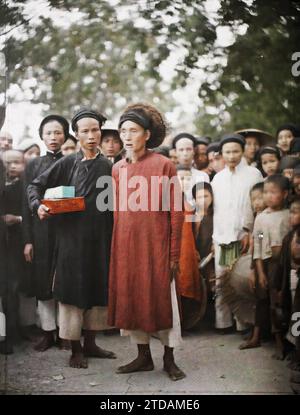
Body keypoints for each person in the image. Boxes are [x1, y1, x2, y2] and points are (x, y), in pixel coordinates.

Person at [27, 108, 115, 369]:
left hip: (100, 239)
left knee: (97, 289)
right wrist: (38, 206)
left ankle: (91, 343)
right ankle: (75, 348)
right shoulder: (67, 163)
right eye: (85, 131)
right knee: (72, 292)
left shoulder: (109, 165)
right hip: (71, 241)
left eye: (95, 130)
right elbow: (35, 186)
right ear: (75, 136)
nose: (91, 136)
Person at [108, 103, 185, 381]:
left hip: (157, 245)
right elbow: (118, 213)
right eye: (123, 131)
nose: (127, 136)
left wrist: (173, 252)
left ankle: (169, 359)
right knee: (133, 297)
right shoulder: (117, 168)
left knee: (163, 300)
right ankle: (142, 356)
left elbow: (176, 212)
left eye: (134, 131)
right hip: (127, 246)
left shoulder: (164, 165)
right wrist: (119, 248)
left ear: (147, 134)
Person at [23, 114, 69, 352]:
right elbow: (25, 203)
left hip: (65, 230)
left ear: (65, 135)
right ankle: (47, 332)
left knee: (62, 281)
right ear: (42, 136)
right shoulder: (32, 165)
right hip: (40, 230)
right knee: (42, 282)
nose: (53, 137)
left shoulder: (72, 162)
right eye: (49, 133)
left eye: (58, 132)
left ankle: (65, 333)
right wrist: (28, 240)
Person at [211, 133, 263, 333]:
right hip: (222, 236)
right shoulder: (218, 178)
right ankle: (222, 323)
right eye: (227, 152)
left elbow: (256, 206)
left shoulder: (253, 174)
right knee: (221, 280)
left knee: (240, 281)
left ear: (242, 151)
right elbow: (216, 210)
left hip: (244, 236)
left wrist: (250, 232)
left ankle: (243, 324)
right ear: (222, 154)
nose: (231, 156)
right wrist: (214, 239)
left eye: (235, 151)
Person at [251, 175, 290, 359]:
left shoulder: (289, 215)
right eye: (265, 192)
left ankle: (280, 343)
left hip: (282, 265)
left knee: (278, 303)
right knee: (261, 299)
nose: (268, 196)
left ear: (285, 194)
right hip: (266, 264)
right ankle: (256, 336)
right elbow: (258, 242)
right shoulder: (261, 218)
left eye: (273, 192)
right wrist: (259, 272)